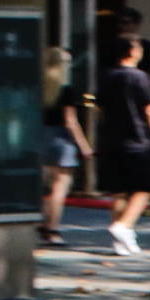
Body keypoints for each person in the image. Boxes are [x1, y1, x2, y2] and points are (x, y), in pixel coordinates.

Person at [96, 36, 150, 255]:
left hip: (112, 142)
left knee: (119, 193)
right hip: (137, 141)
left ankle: (120, 242)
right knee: (144, 189)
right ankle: (123, 226)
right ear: (132, 51)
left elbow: (99, 109)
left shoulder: (107, 77)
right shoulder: (140, 78)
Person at [38, 47, 91, 244]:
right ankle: (51, 229)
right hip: (61, 139)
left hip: (41, 136)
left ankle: (44, 223)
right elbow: (70, 121)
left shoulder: (38, 86)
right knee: (60, 187)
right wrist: (84, 145)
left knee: (48, 187)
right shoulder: (66, 89)